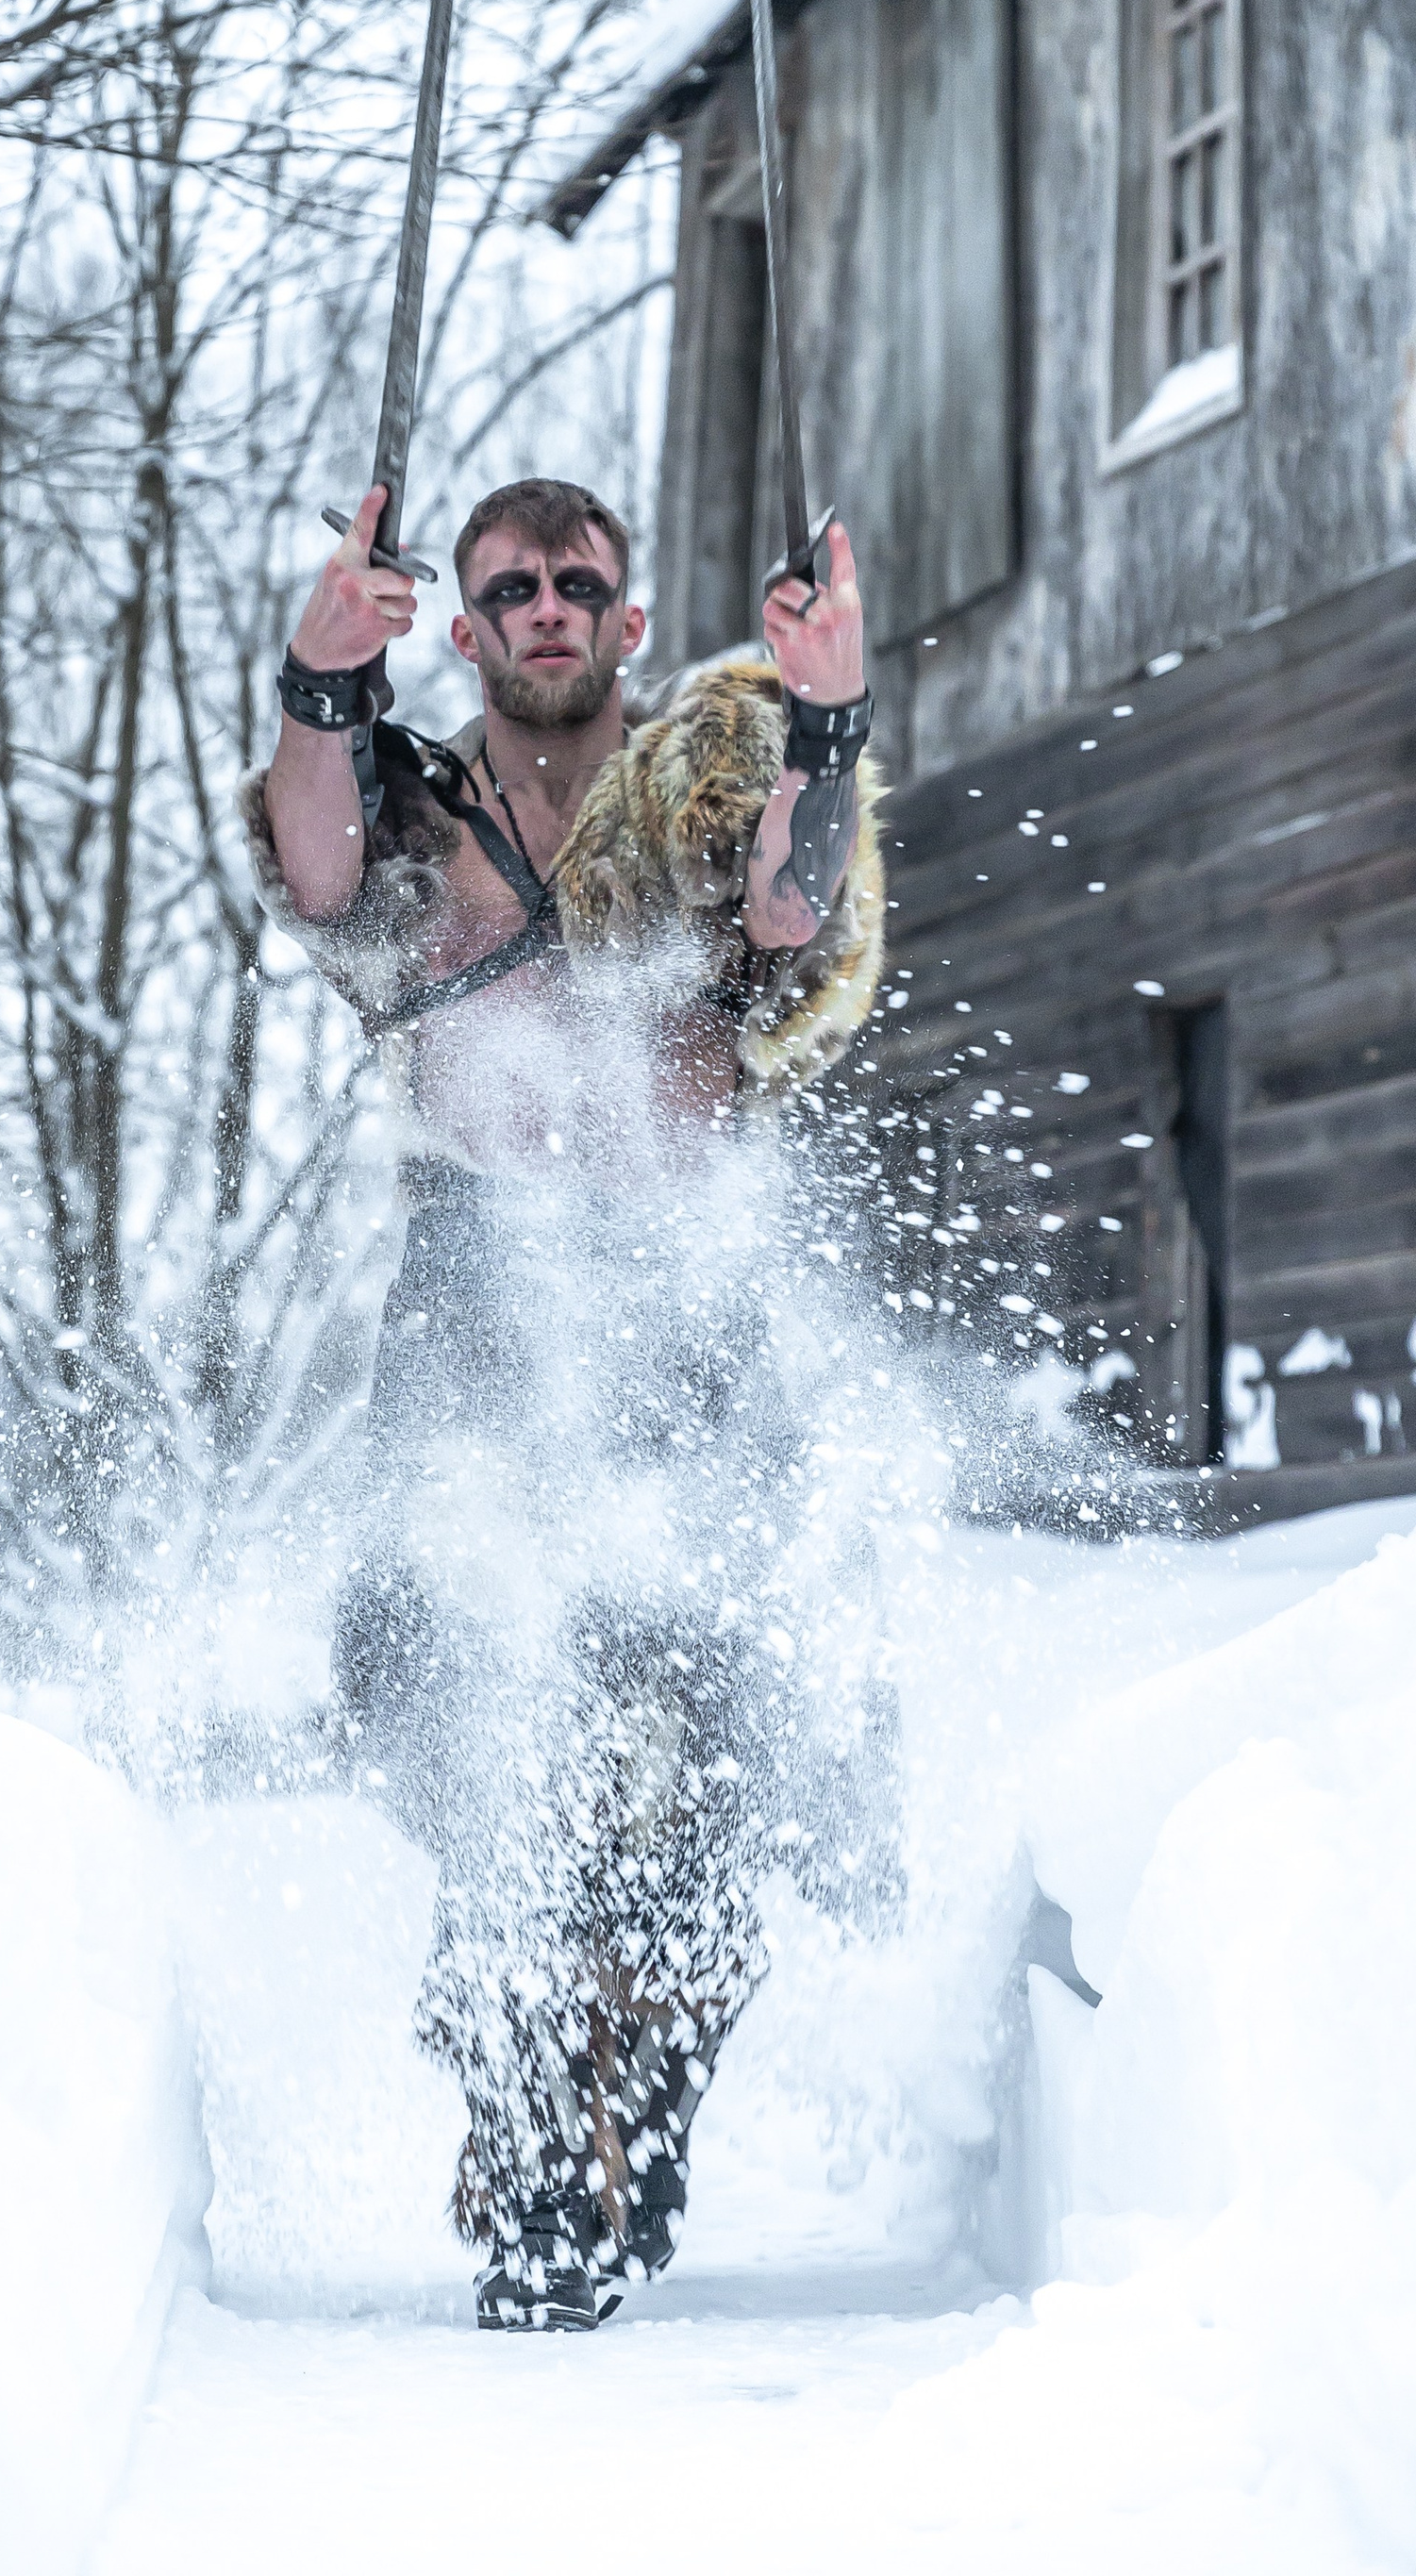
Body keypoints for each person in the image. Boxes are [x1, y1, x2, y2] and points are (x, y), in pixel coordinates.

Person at [241, 475, 893, 2328]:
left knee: (723, 1738)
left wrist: (823, 718)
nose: (540, 605)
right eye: (504, 586)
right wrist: (315, 675)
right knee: (476, 1723)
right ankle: (528, 2134)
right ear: (462, 627)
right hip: (475, 1296)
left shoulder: (692, 792)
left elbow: (792, 900)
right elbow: (305, 865)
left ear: (620, 617)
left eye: (574, 583)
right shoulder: (411, 805)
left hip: (684, 1306)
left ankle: (643, 2078)